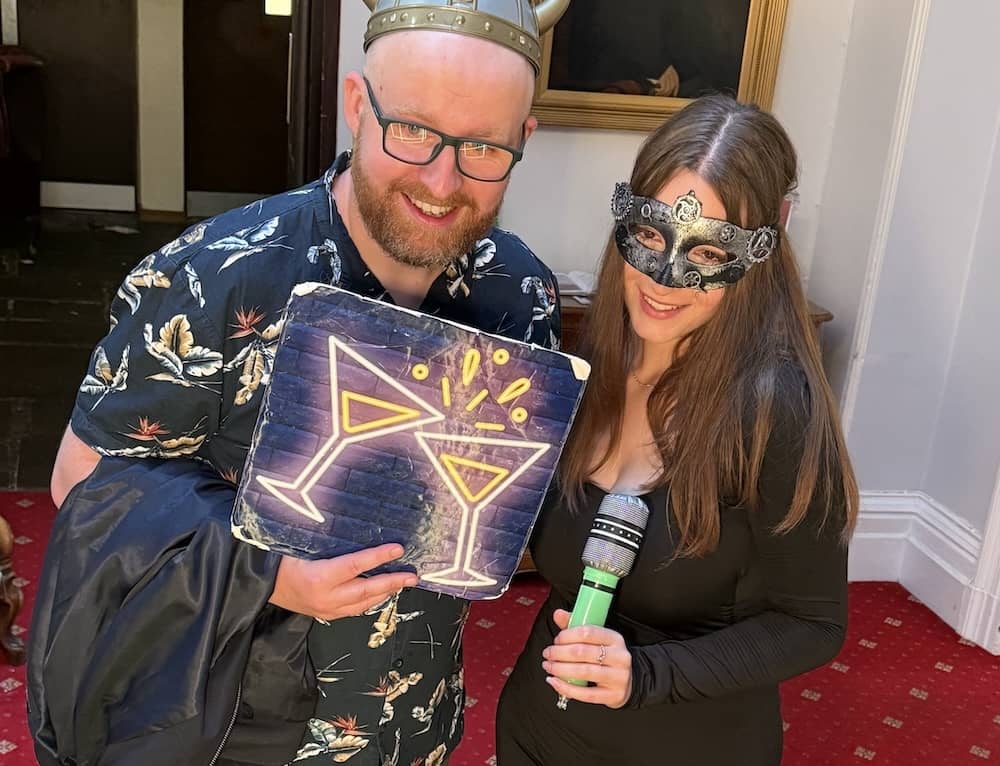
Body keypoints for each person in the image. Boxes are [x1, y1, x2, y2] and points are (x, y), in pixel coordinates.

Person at [28, 1, 572, 764]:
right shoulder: (211, 278)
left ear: (522, 141)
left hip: (413, 720)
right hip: (230, 722)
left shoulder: (521, 294)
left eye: (483, 146)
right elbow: (81, 481)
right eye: (412, 130)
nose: (442, 180)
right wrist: (266, 573)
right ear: (358, 105)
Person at [495, 94, 860, 765]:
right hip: (537, 731)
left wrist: (646, 675)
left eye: (710, 252)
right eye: (652, 236)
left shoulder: (774, 410)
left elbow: (813, 624)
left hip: (685, 745)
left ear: (760, 250)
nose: (664, 278)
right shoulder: (587, 369)